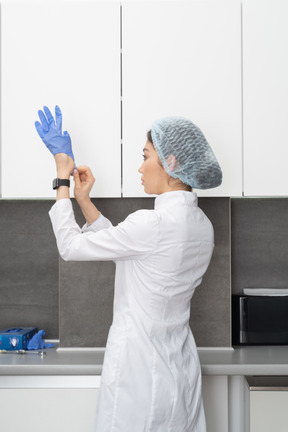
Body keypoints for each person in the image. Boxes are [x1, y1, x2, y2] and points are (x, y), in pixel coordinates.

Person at [35, 107, 222, 432]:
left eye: (146, 155)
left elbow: (70, 247)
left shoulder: (153, 224)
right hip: (179, 373)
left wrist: (61, 178)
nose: (140, 166)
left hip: (140, 378)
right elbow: (131, 249)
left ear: (172, 163)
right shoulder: (202, 226)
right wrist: (84, 202)